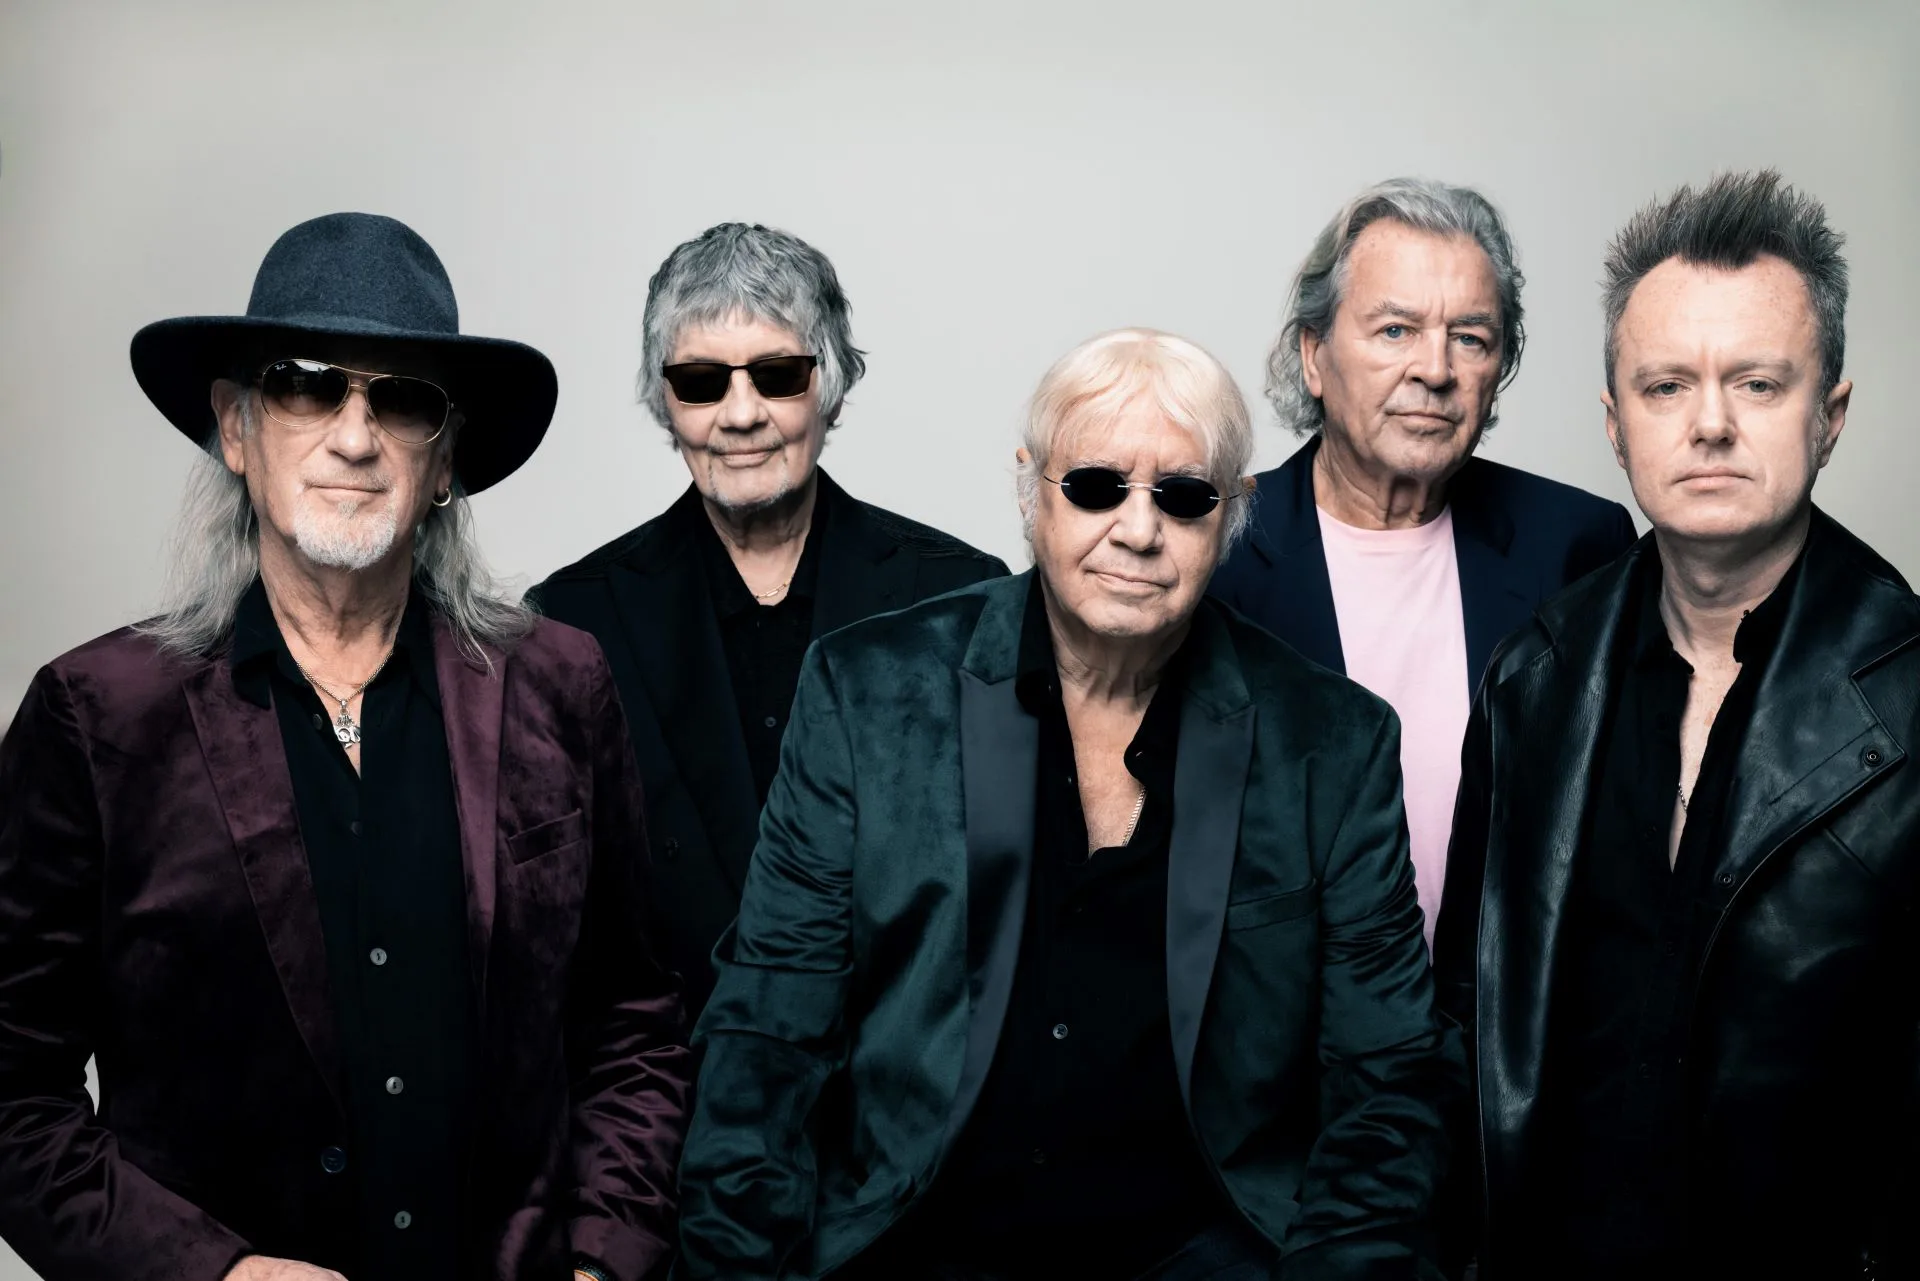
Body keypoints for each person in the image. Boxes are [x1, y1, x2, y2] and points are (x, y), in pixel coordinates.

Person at [678, 329, 1459, 1280]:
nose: (1138, 530)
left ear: (1232, 514)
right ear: (1030, 490)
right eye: (1095, 486)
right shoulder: (866, 694)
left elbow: (1388, 1082)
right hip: (920, 1249)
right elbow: (765, 1037)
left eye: (1183, 495)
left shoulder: (1332, 743)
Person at [0, 213, 690, 1281]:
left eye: (402, 400)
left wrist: (601, 1258)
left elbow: (633, 1027)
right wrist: (213, 1275)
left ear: (445, 462)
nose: (355, 437)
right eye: (306, 386)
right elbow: (12, 1093)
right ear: (236, 432)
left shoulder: (560, 686)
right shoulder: (97, 719)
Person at [1434, 170, 1920, 1277]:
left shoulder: (1908, 694)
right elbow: (1467, 1014)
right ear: (1616, 426)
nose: (1709, 424)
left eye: (1757, 383)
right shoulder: (1533, 678)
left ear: (1831, 415)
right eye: (1666, 386)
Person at [534, 222, 1007, 1017]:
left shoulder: (961, 598)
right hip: (669, 1076)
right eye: (701, 381)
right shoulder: (571, 622)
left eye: (778, 375)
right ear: (665, 401)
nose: (741, 414)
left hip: (893, 1072)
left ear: (831, 386)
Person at [1209, 178, 1636, 943]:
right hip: (1288, 1013)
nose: (1435, 369)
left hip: (1505, 1013)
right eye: (1396, 330)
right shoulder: (1217, 550)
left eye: (1470, 338)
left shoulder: (1580, 546)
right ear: (1313, 355)